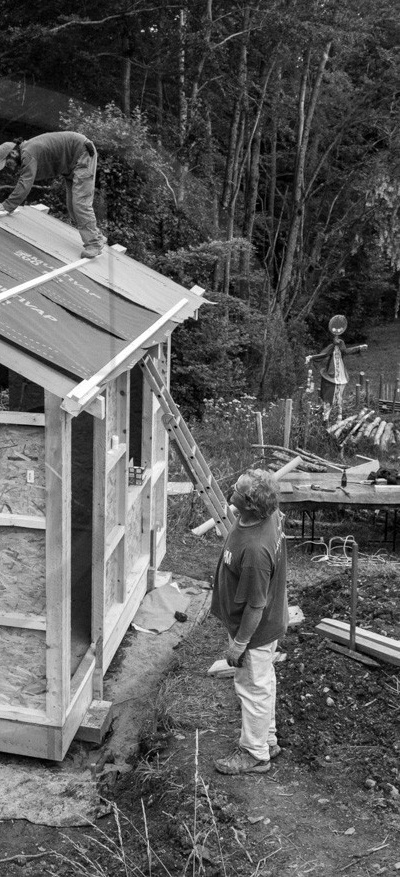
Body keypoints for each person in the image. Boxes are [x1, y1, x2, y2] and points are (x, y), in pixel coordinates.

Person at [210, 468, 289, 776]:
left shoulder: (256, 550)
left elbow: (256, 606)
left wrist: (240, 644)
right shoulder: (268, 515)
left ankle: (255, 754)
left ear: (250, 504)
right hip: (269, 622)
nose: (232, 489)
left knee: (252, 687)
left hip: (256, 629)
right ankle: (266, 740)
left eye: (238, 490)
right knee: (262, 683)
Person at [0, 131, 107, 258]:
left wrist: (7, 205)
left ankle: (94, 244)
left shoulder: (28, 152)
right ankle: (97, 236)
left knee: (80, 203)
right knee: (72, 207)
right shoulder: (28, 149)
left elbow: (25, 183)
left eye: (8, 163)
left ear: (13, 153)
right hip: (72, 164)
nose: (10, 168)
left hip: (82, 153)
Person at [305, 315, 367, 421]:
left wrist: (359, 348)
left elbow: (347, 351)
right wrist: (311, 357)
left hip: (341, 374)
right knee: (328, 396)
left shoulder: (341, 347)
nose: (338, 342)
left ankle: (339, 416)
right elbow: (323, 355)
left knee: (339, 397)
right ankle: (326, 417)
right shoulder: (331, 347)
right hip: (331, 373)